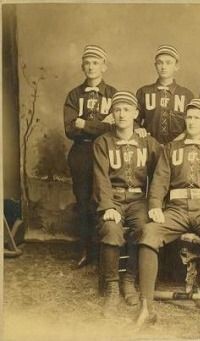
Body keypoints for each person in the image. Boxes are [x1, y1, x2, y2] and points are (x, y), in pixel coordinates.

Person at [135, 98, 200, 326]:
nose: (192, 121)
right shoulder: (170, 149)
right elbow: (159, 182)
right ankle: (146, 306)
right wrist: (155, 206)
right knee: (149, 234)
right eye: (189, 117)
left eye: (197, 117)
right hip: (175, 210)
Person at [93, 91, 161, 316]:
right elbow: (100, 177)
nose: (122, 114)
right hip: (112, 198)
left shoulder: (147, 141)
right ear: (112, 114)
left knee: (144, 228)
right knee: (111, 228)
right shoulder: (103, 142)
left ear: (135, 113)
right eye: (117, 110)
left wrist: (153, 204)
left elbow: (162, 172)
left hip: (138, 200)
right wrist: (108, 206)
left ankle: (129, 280)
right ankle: (112, 285)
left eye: (126, 110)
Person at [63, 45, 117, 269]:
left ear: (104, 66)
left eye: (96, 62)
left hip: (107, 151)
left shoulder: (113, 94)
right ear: (82, 67)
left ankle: (107, 249)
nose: (91, 67)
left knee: (105, 199)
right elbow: (70, 129)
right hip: (82, 152)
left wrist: (85, 123)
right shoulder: (74, 95)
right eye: (87, 63)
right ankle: (87, 249)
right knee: (84, 201)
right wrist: (102, 125)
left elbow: (116, 128)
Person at [135, 45, 194, 145]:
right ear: (155, 65)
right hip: (149, 146)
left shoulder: (186, 94)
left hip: (178, 147)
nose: (163, 67)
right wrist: (137, 128)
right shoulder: (144, 92)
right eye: (160, 63)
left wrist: (178, 140)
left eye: (168, 63)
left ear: (176, 66)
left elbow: (193, 123)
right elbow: (134, 119)